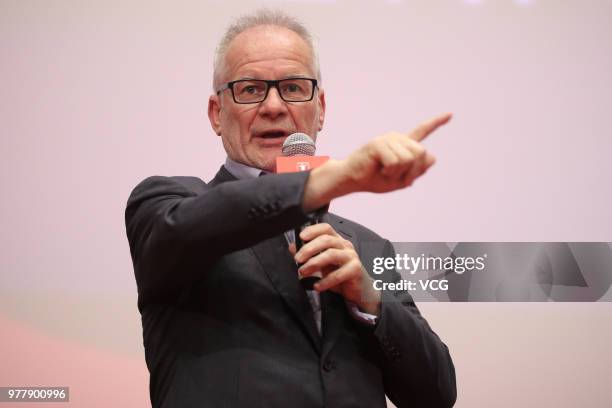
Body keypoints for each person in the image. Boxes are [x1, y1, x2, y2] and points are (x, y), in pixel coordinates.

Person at [125, 9, 456, 408]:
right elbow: (195, 227)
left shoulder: (367, 246)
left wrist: (370, 302)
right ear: (217, 114)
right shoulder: (168, 204)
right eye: (250, 89)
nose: (274, 106)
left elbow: (436, 394)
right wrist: (336, 178)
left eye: (294, 88)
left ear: (321, 109)